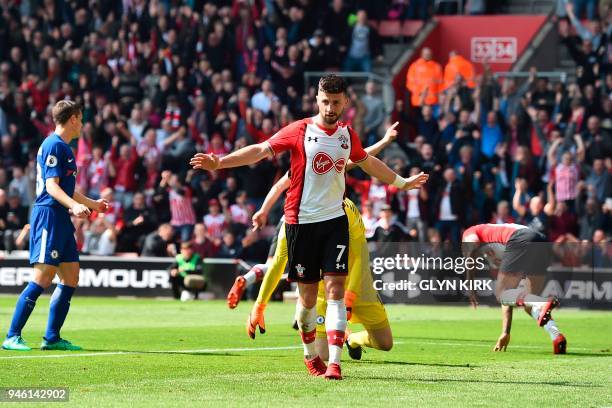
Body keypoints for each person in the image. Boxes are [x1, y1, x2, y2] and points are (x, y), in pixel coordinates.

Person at [191, 74, 428, 380]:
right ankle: (309, 355)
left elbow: (368, 162)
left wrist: (401, 182)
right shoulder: (299, 130)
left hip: (334, 223)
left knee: (335, 292)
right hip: (300, 224)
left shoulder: (347, 135)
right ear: (317, 100)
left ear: (345, 103)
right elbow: (261, 150)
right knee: (305, 301)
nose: (330, 108)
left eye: (336, 102)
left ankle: (335, 364)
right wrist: (220, 162)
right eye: (325, 101)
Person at [2, 100, 109, 351]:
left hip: (61, 216)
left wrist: (92, 204)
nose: (82, 124)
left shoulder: (65, 148)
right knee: (43, 276)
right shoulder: (54, 145)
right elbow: (51, 187)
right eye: (80, 118)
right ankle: (12, 335)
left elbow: (67, 187)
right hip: (49, 214)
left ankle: (51, 337)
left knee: (71, 276)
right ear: (72, 118)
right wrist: (73, 206)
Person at [462, 223, 567, 354]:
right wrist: (505, 332)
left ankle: (540, 301)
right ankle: (556, 336)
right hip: (541, 241)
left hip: (521, 238)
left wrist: (469, 284)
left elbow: (470, 246)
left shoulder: (470, 231)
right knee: (529, 305)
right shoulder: (495, 241)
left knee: (502, 294)